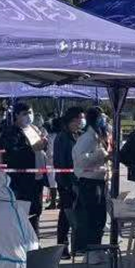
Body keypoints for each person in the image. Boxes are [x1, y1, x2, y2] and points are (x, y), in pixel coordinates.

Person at [0, 102, 47, 232]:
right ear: (16, 115)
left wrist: (43, 144)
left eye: (30, 113)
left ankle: (35, 238)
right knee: (23, 213)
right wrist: (31, 149)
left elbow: (40, 148)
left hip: (37, 177)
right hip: (21, 180)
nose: (29, 116)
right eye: (25, 114)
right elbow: (12, 154)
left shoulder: (33, 129)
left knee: (36, 211)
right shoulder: (11, 132)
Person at [72, 106, 110, 249]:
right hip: (89, 182)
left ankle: (95, 246)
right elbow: (81, 160)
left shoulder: (97, 136)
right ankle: (90, 249)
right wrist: (100, 155)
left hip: (99, 180)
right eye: (101, 118)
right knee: (91, 218)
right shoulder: (87, 138)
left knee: (99, 218)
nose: (104, 121)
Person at [53, 106, 85, 253]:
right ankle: (62, 246)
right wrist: (67, 183)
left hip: (79, 180)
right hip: (66, 182)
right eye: (80, 118)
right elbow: (60, 162)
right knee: (66, 215)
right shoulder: (62, 138)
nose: (82, 121)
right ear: (72, 120)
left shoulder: (79, 135)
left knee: (75, 215)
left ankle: (75, 246)